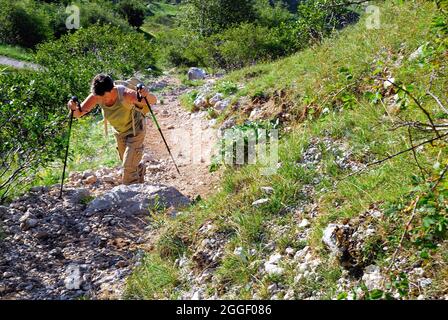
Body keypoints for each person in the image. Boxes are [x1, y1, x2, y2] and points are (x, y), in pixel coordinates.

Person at [67, 74, 157, 185]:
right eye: (98, 97)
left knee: (128, 167)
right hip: (120, 133)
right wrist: (72, 108)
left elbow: (153, 100)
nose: (101, 100)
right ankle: (139, 170)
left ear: (112, 89)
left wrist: (145, 94)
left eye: (104, 97)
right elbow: (78, 113)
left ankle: (133, 196)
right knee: (128, 161)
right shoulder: (97, 95)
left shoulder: (125, 94)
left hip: (135, 131)